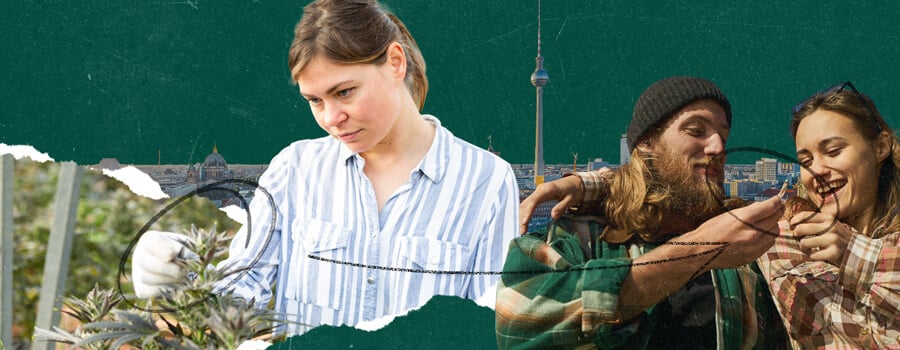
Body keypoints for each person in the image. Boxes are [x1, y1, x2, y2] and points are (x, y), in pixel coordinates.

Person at [131, 0, 518, 336]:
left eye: (344, 91)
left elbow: (487, 326)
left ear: (395, 63)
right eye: (315, 100)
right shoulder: (295, 169)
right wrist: (179, 274)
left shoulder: (486, 181)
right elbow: (241, 291)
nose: (332, 117)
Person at [496, 76, 788, 349]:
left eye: (723, 136)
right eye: (696, 130)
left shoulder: (748, 251)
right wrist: (699, 249)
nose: (718, 147)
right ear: (647, 143)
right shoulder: (578, 237)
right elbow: (519, 325)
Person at [757, 81, 900, 348]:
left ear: (880, 147)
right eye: (806, 161)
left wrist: (853, 251)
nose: (817, 170)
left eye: (833, 151)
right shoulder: (783, 239)